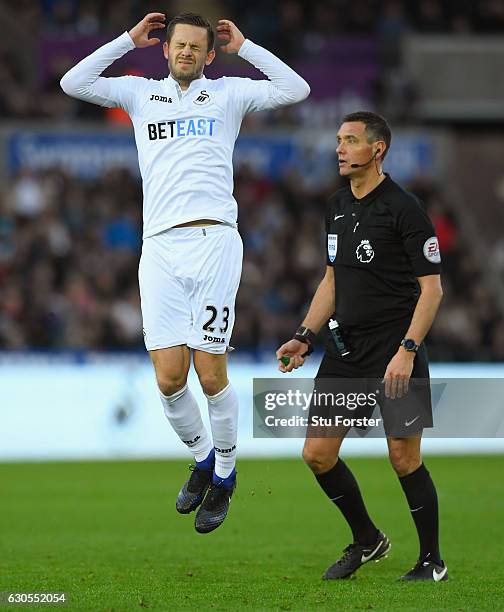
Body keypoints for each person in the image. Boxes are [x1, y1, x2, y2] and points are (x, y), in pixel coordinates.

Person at [61, 12, 310, 534]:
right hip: (159, 249)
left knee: (210, 372)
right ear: (165, 49)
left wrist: (248, 47)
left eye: (197, 47)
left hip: (214, 240)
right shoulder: (138, 95)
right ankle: (201, 460)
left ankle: (224, 474)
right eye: (180, 45)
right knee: (169, 378)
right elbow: (73, 82)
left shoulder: (229, 94)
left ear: (209, 54)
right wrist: (126, 41)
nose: (187, 53)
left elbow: (296, 88)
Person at [276, 111, 447, 581]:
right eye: (338, 140)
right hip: (346, 352)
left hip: (396, 353)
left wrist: (408, 350)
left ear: (378, 149)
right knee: (317, 454)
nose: (339, 149)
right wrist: (304, 336)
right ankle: (368, 539)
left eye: (350, 141)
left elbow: (432, 290)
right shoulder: (335, 206)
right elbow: (331, 280)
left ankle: (432, 561)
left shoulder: (405, 208)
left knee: (404, 458)